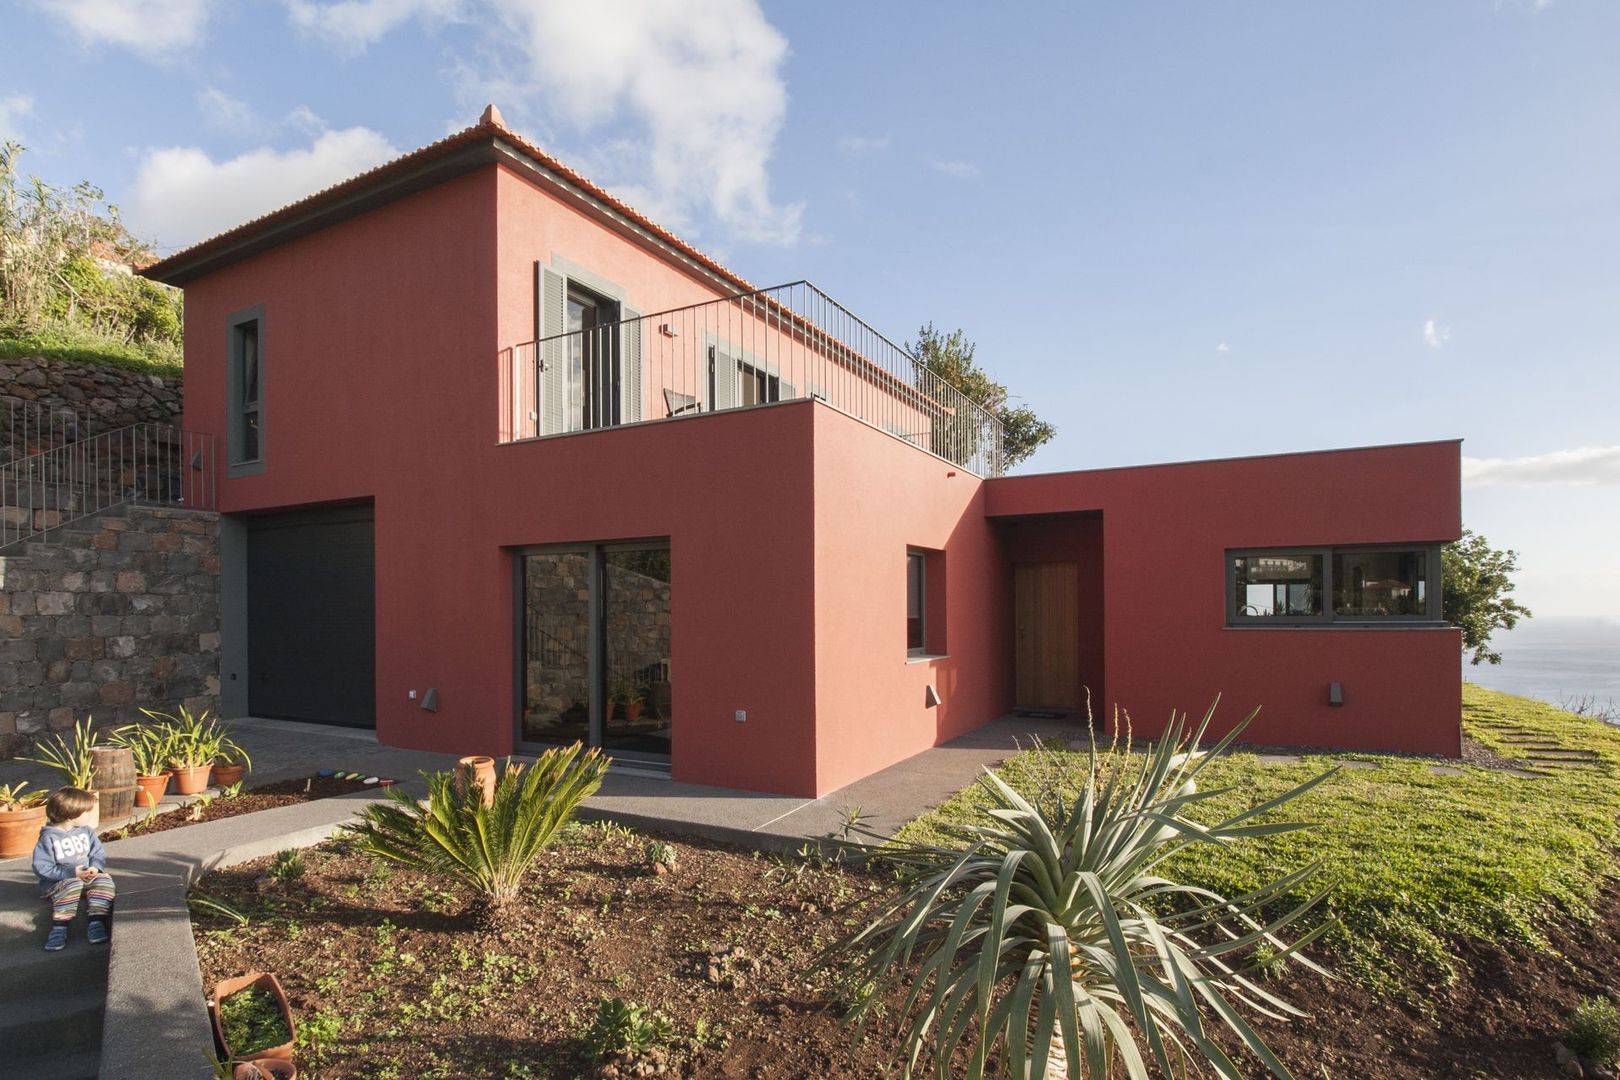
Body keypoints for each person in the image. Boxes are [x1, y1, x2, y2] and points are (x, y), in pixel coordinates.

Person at [31, 787, 115, 952]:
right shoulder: (49, 838)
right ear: (71, 814)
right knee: (72, 885)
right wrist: (70, 874)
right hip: (58, 884)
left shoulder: (86, 832)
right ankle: (59, 927)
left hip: (85, 878)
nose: (90, 815)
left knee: (105, 880)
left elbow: (97, 853)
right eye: (87, 812)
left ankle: (96, 920)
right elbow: (41, 867)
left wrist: (95, 868)